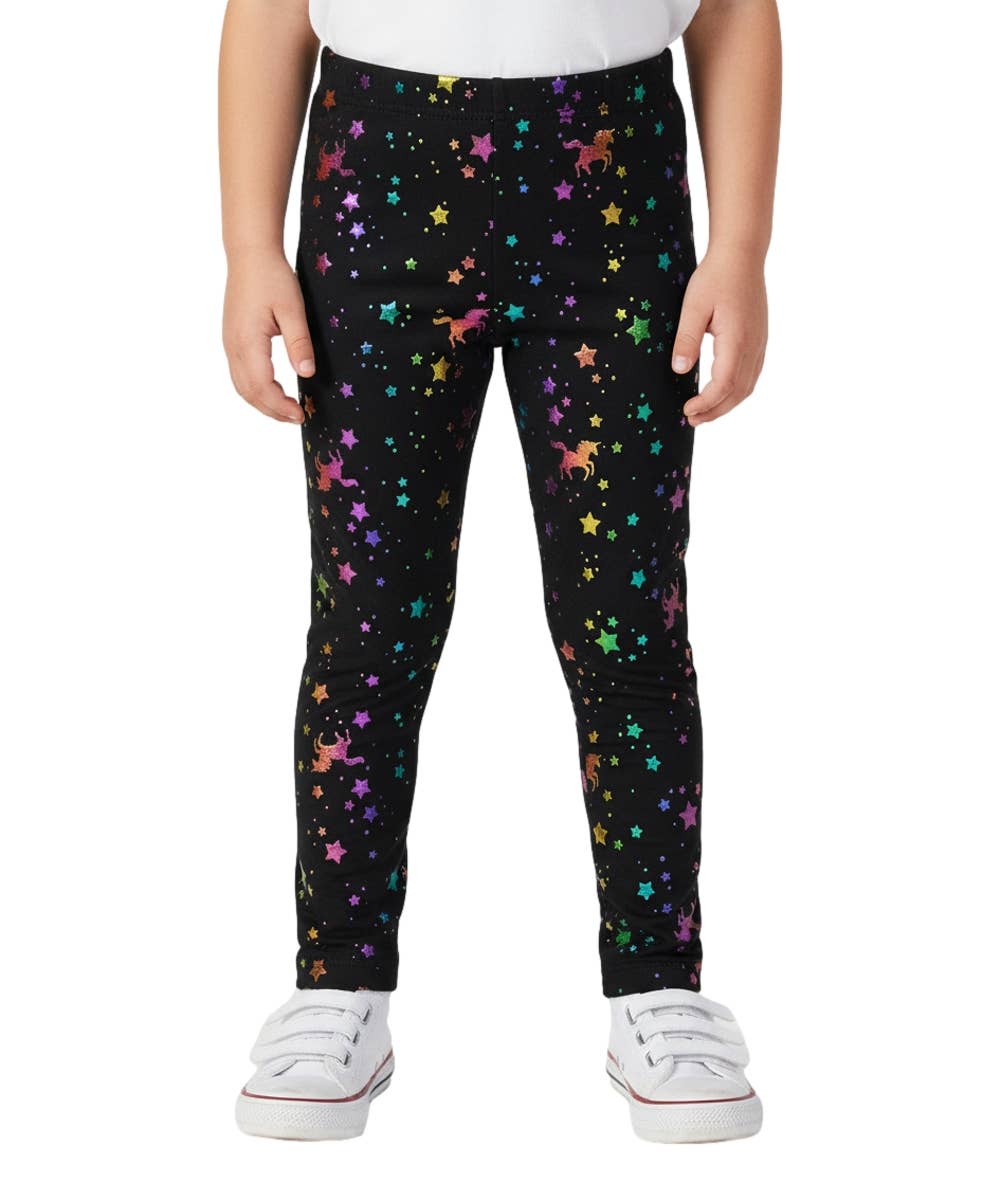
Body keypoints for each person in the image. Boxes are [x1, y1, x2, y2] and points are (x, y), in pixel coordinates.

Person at [219, 0, 780, 1144]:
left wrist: (740, 248)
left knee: (627, 622)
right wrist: (248, 248)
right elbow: (270, 11)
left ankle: (658, 981)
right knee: (368, 625)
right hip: (378, 195)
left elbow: (732, 10)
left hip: (613, 197)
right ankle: (337, 979)